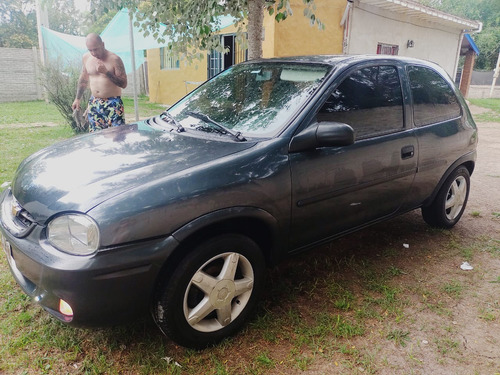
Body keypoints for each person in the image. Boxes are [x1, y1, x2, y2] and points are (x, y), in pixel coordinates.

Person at [72, 33, 128, 132]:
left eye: (96, 49)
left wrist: (106, 72)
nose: (93, 53)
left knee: (117, 136)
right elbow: (84, 79)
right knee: (96, 137)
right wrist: (77, 99)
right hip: (95, 102)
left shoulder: (115, 59)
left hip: (113, 103)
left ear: (102, 44)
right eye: (90, 50)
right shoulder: (86, 58)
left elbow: (123, 84)